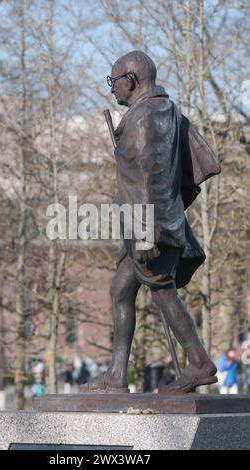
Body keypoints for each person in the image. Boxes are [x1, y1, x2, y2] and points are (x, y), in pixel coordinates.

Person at [81, 50, 220, 394]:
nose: (113, 89)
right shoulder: (166, 110)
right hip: (149, 223)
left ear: (132, 80)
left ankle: (199, 363)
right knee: (121, 290)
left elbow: (149, 178)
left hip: (149, 227)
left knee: (163, 293)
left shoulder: (145, 117)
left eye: (115, 82)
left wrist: (145, 234)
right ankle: (117, 374)